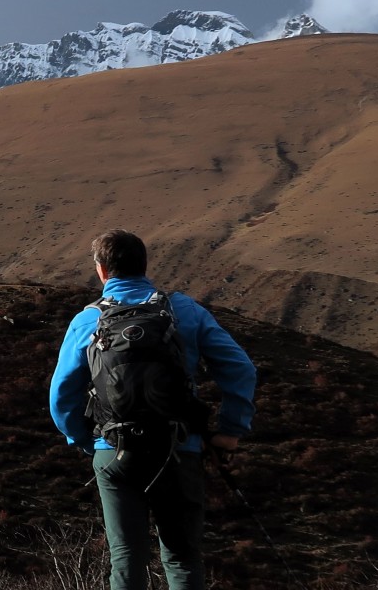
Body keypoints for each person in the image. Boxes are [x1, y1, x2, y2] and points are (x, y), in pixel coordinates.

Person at [49, 230, 257, 590]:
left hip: (114, 453)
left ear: (101, 271)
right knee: (181, 557)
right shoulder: (185, 310)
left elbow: (61, 397)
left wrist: (88, 441)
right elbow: (240, 368)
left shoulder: (87, 321)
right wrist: (230, 430)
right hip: (178, 449)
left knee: (126, 556)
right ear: (145, 265)